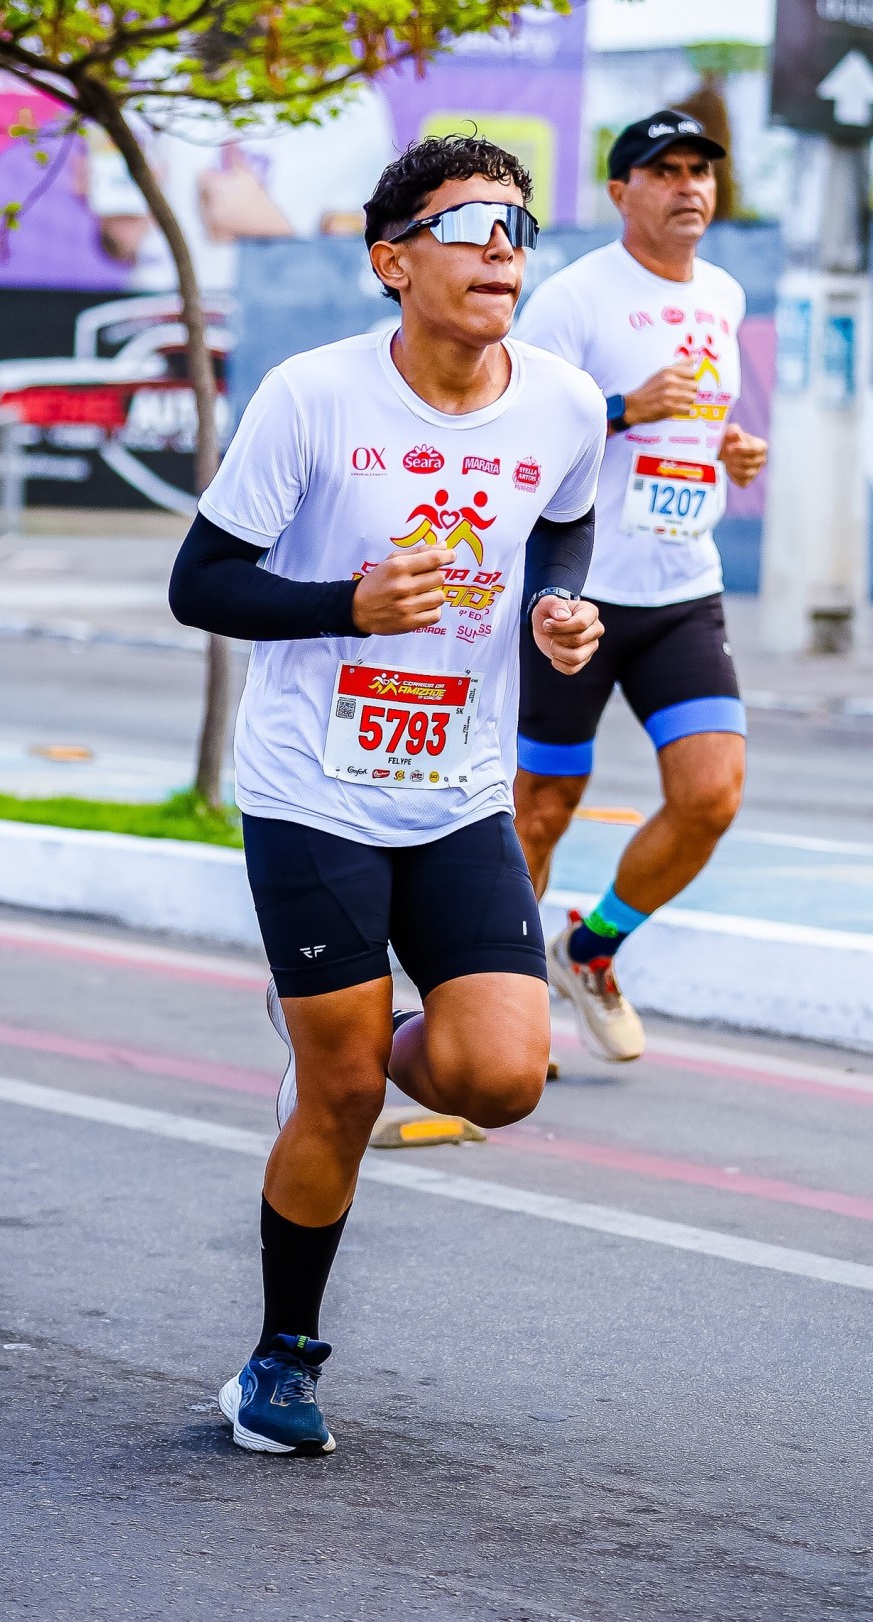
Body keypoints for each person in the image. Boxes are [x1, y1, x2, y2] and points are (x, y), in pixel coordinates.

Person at [169, 134, 607, 1455]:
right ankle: (278, 1362)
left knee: (500, 1075)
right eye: (467, 224)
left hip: (458, 785)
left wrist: (556, 604)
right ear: (392, 260)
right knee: (347, 1092)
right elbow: (202, 583)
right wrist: (342, 607)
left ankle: (349, 1031)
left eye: (517, 227)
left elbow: (566, 517)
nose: (499, 248)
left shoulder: (565, 403)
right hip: (314, 788)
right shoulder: (313, 397)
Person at [513, 111, 768, 1064]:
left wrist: (729, 449)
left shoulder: (725, 294)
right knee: (542, 807)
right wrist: (623, 408)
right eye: (665, 171)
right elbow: (520, 423)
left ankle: (590, 949)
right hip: (577, 596)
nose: (689, 185)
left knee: (711, 795)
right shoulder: (575, 298)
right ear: (622, 192)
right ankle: (506, 1008)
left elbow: (694, 425)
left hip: (682, 588)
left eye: (700, 169)